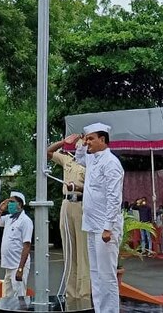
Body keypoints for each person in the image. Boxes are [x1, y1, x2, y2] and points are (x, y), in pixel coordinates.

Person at [74, 122, 124, 313]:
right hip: (92, 224)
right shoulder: (93, 159)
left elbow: (114, 197)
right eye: (87, 139)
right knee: (95, 274)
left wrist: (108, 227)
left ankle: (110, 311)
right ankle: (100, 310)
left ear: (102, 140)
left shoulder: (111, 163)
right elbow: (79, 158)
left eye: (91, 139)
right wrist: (80, 143)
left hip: (105, 227)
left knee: (107, 275)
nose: (88, 142)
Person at [47, 133, 90, 298]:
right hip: (66, 204)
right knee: (69, 251)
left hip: (81, 204)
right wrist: (63, 142)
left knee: (82, 252)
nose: (81, 145)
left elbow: (96, 190)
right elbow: (48, 153)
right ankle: (71, 293)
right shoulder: (68, 160)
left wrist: (78, 187)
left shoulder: (91, 163)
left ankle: (84, 293)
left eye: (84, 143)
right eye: (79, 142)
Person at [0, 192, 33, 298]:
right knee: (6, 297)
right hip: (9, 265)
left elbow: (27, 245)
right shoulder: (9, 218)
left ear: (19, 204)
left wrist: (20, 269)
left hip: (18, 266)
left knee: (19, 297)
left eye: (12, 202)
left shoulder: (25, 221)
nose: (9, 204)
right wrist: (0, 210)